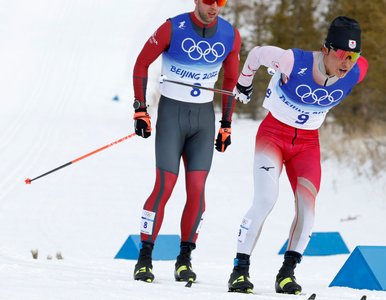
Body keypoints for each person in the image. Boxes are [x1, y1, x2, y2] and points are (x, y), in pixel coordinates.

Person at [227, 16, 368, 294]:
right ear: (325, 49)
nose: (347, 62)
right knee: (266, 199)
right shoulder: (293, 61)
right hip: (273, 136)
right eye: (341, 54)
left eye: (353, 55)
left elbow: (361, 65)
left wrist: (353, 61)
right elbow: (256, 55)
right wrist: (244, 84)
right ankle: (239, 271)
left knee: (307, 210)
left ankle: (286, 274)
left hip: (307, 145)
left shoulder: (356, 71)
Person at [131, 0, 240, 284]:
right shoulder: (172, 27)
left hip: (203, 120)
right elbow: (142, 63)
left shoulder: (230, 34)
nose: (215, 6)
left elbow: (230, 81)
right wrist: (140, 109)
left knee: (197, 189)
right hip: (171, 116)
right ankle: (145, 257)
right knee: (164, 185)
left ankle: (184, 259)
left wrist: (226, 124)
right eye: (209, 1)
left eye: (221, 1)